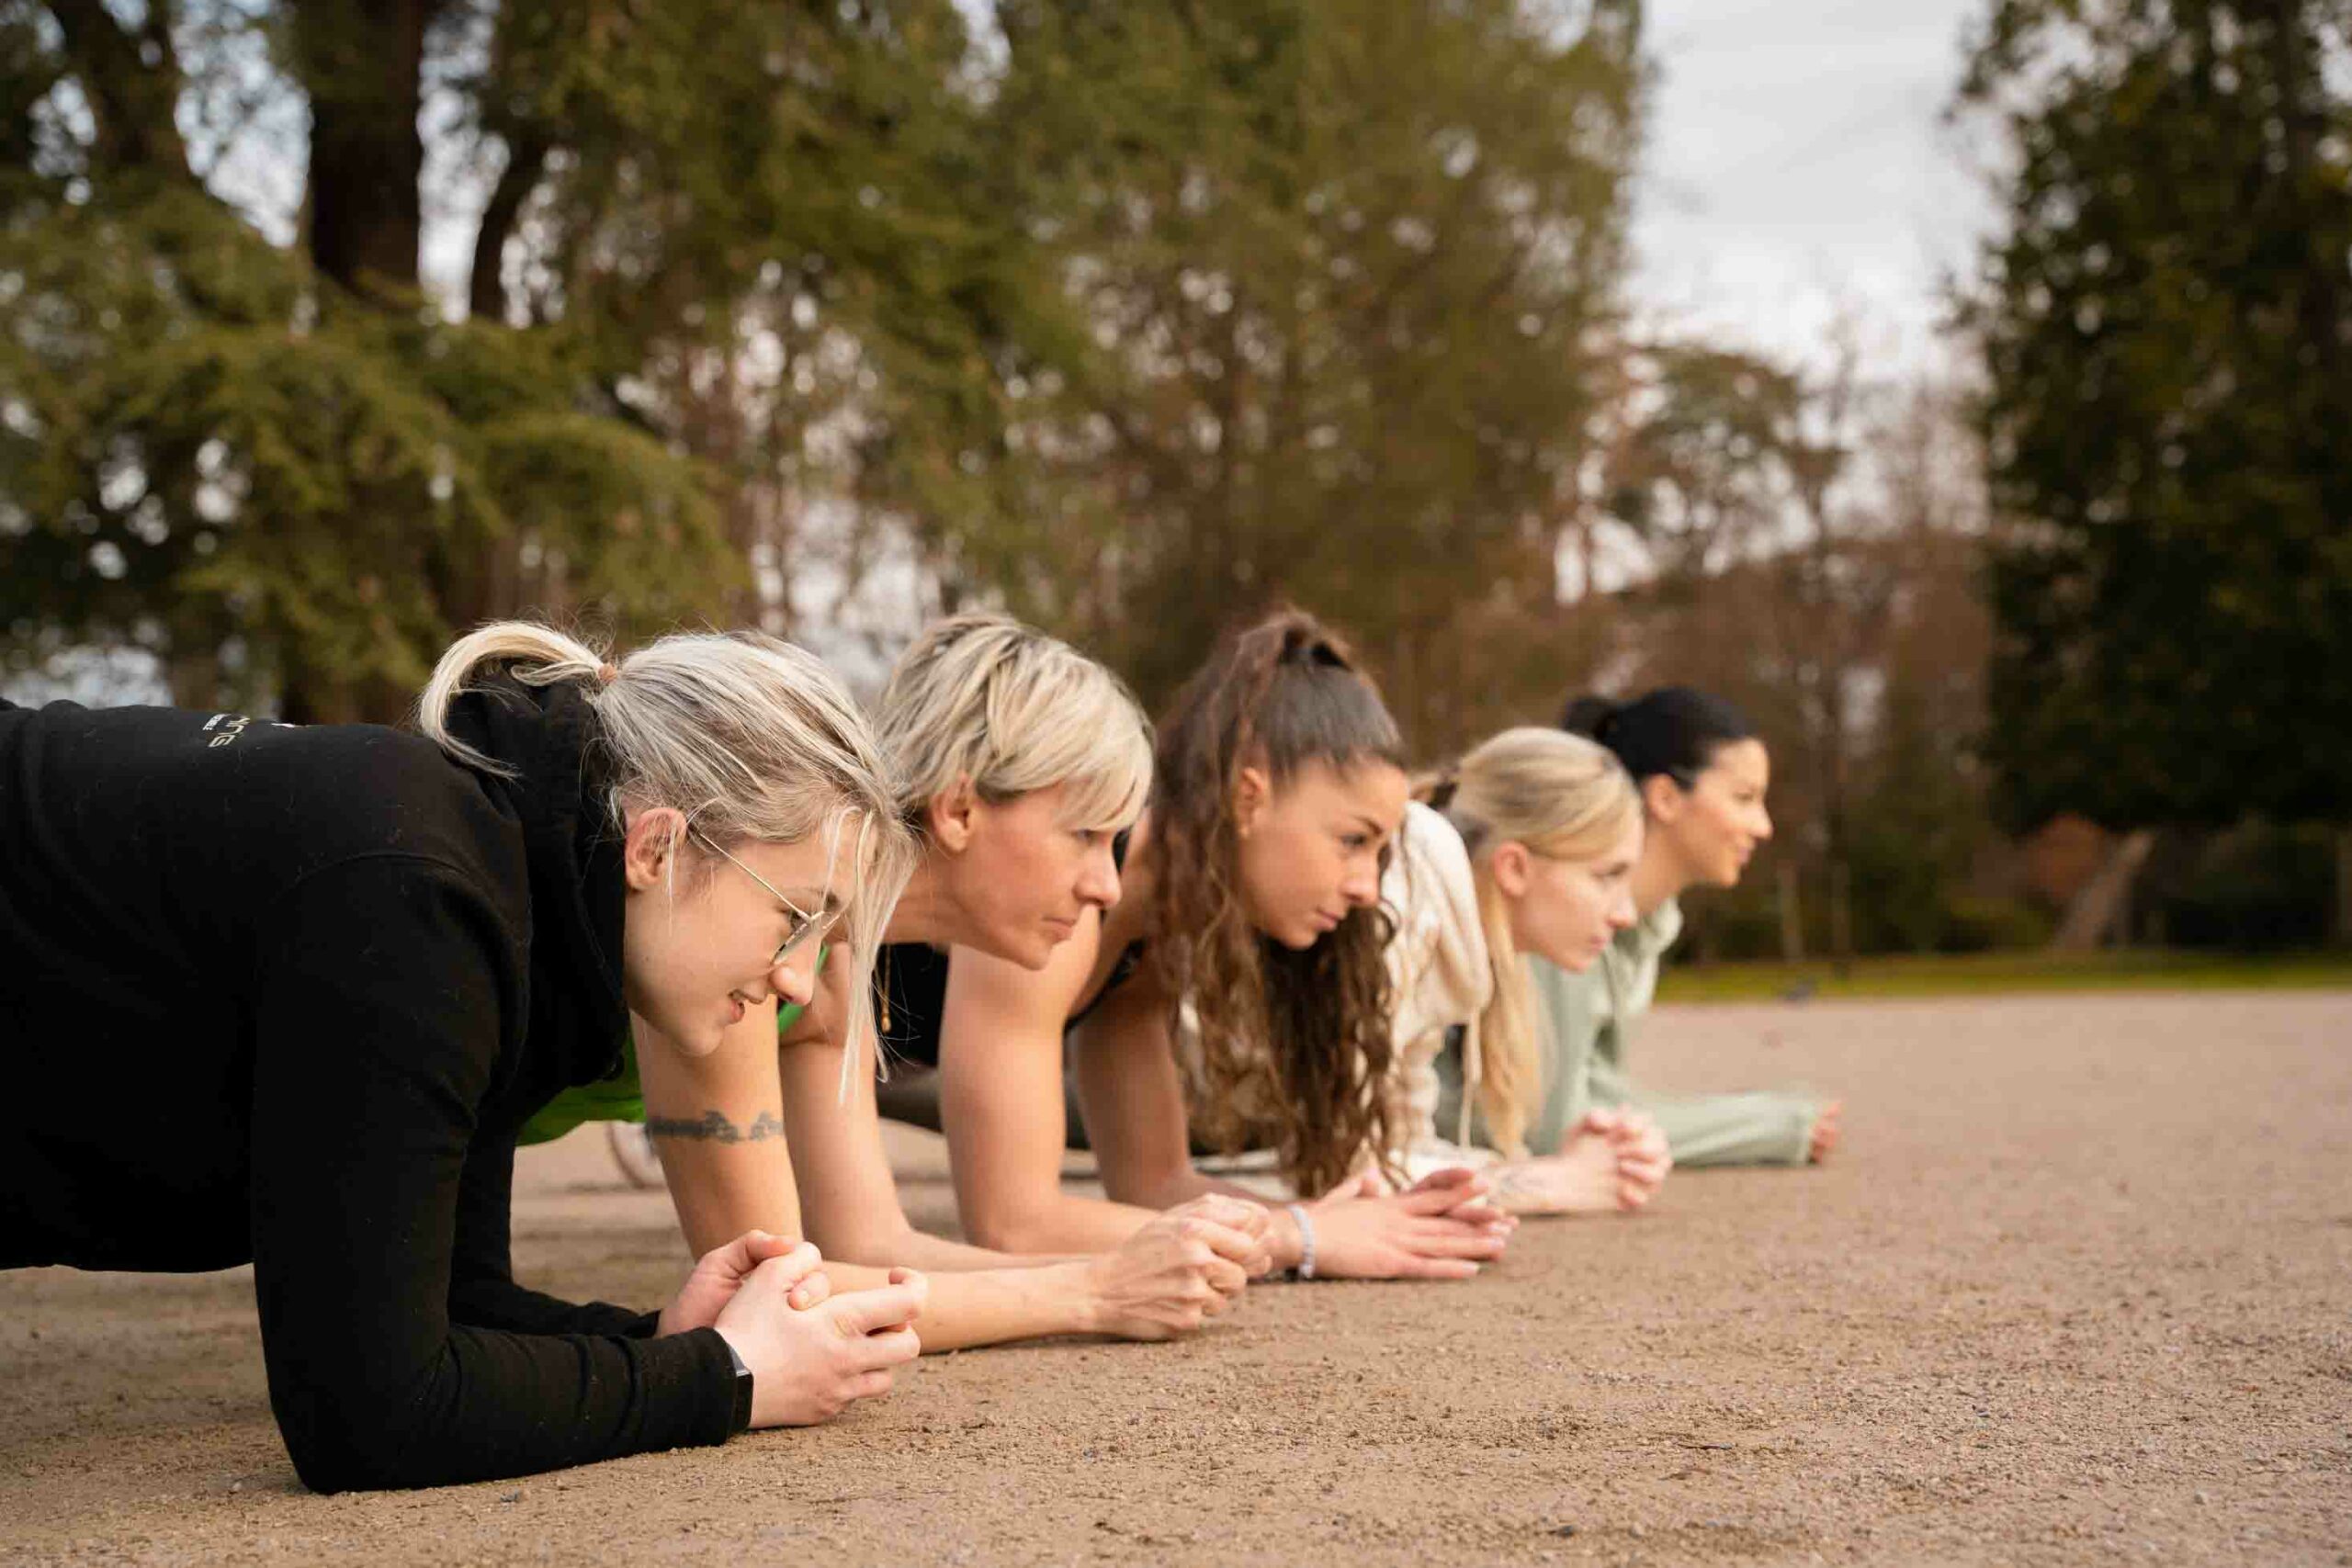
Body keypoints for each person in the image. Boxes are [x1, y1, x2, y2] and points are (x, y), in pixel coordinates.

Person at [1, 625, 933, 1492]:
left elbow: (456, 1306)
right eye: (797, 917)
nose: (803, 983)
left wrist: (674, 1341)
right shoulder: (417, 898)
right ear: (657, 848)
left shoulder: (508, 898)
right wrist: (726, 1378)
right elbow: (368, 1414)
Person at [602, 614, 1272, 1348]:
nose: (1107, 889)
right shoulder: (753, 932)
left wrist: (1136, 1262)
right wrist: (1093, 1292)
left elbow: (869, 1243)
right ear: (959, 809)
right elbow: (771, 1298)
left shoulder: (833, 954)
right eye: (1084, 834)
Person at [903, 609, 1516, 1278]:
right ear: (1247, 797)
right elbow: (1013, 1223)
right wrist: (1294, 1234)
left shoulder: (1147, 932)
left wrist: (1334, 1220)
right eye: (1352, 840)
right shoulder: (1058, 890)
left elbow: (1154, 1184)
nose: (1369, 886)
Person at [1443, 688, 1839, 1168]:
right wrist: (1769, 1125)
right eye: (1744, 798)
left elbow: (1594, 1090)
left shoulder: (1638, 924)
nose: (1763, 826)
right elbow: (1552, 1124)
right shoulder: (1556, 916)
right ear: (1666, 797)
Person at [1384, 728, 1675, 1213]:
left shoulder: (1459, 951)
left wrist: (1556, 1160)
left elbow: (1398, 1150)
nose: (1625, 913)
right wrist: (1556, 1181)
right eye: (1607, 876)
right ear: (1514, 867)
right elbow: (1346, 1175)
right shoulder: (1400, 930)